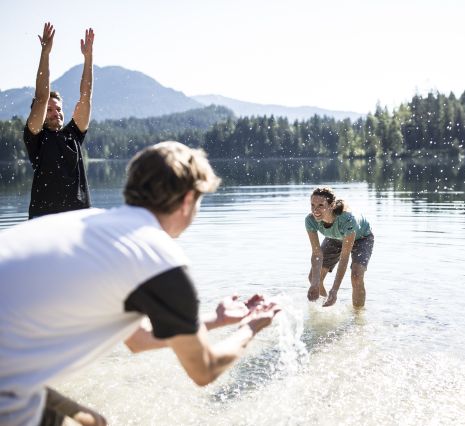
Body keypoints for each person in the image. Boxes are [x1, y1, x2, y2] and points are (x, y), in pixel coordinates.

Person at [0, 141, 280, 426]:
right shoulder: (157, 257)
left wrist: (216, 320)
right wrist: (251, 327)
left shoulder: (88, 224)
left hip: (8, 371)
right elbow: (203, 370)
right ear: (187, 199)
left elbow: (139, 339)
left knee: (95, 422)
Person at [23, 22, 94, 219]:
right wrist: (45, 53)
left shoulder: (74, 134)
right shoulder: (36, 137)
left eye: (59, 109)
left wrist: (88, 58)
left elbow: (85, 96)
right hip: (43, 226)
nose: (56, 113)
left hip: (78, 224)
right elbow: (41, 97)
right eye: (50, 110)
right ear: (38, 114)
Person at [305, 186, 374, 308]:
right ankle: (327, 309)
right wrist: (315, 284)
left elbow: (344, 257)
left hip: (362, 238)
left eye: (321, 205)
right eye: (312, 205)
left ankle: (358, 318)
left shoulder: (347, 219)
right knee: (313, 278)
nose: (315, 210)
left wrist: (335, 289)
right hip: (335, 238)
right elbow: (317, 254)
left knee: (356, 276)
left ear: (331, 205)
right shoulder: (310, 220)